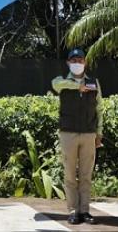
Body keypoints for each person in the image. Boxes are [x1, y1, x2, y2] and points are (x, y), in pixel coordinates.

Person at [51, 48, 103, 225]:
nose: (77, 63)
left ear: (85, 63)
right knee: (70, 174)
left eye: (80, 60)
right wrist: (77, 86)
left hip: (89, 133)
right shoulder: (62, 82)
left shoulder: (94, 83)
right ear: (68, 63)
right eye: (73, 61)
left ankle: (85, 211)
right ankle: (73, 211)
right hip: (68, 133)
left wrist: (99, 133)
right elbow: (56, 84)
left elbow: (99, 109)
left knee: (86, 175)